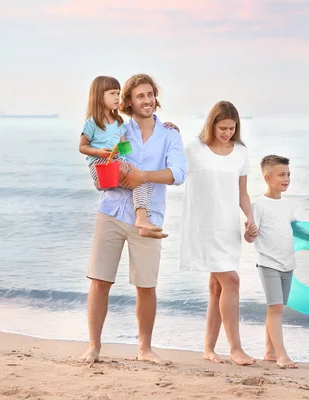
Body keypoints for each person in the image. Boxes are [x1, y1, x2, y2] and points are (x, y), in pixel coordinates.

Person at [78, 73, 187, 364]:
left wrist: (143, 176)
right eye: (140, 96)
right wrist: (124, 176)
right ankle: (93, 347)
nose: (147, 100)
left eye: (150, 94)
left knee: (146, 286)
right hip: (111, 213)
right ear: (129, 101)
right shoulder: (120, 132)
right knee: (100, 282)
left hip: (149, 218)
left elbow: (177, 173)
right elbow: (105, 173)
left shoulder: (170, 135)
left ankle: (145, 349)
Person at [179, 100, 258, 366]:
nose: (227, 133)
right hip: (203, 227)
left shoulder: (241, 153)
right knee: (232, 282)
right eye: (222, 127)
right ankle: (236, 349)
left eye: (231, 128)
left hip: (227, 229)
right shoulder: (193, 149)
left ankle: (209, 349)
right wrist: (165, 132)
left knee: (216, 287)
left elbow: (242, 193)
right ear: (211, 124)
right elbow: (168, 164)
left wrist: (250, 218)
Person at [244, 155, 309, 369]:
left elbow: (296, 229)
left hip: (287, 264)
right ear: (267, 177)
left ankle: (269, 351)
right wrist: (249, 234)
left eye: (288, 174)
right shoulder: (258, 205)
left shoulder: (287, 205)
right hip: (268, 263)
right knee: (275, 307)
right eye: (282, 175)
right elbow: (250, 237)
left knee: (275, 308)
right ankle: (282, 355)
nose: (287, 179)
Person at [78, 75, 175, 237]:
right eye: (112, 94)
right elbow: (82, 147)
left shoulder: (118, 122)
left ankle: (143, 222)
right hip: (100, 164)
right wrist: (99, 152)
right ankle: (143, 221)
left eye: (118, 93)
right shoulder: (92, 122)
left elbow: (124, 149)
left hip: (115, 162)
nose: (117, 98)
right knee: (139, 178)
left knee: (142, 180)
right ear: (98, 96)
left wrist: (126, 162)